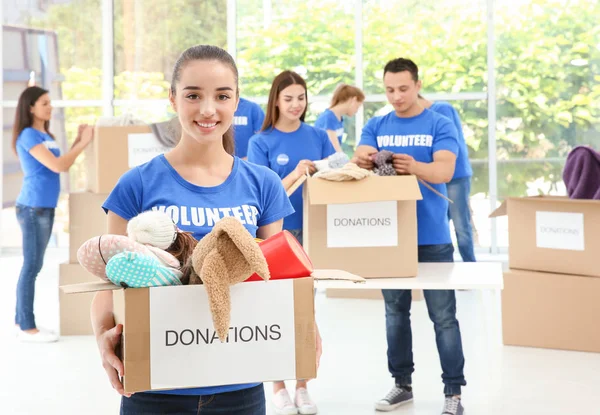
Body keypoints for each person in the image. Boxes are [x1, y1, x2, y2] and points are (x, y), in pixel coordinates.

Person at [91, 45, 321, 415]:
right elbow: (110, 280)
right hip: (154, 383)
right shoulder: (137, 184)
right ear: (173, 99)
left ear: (237, 101)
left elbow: (274, 277)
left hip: (239, 383)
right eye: (193, 95)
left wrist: (306, 327)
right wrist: (102, 337)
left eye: (222, 96)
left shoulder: (263, 184)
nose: (208, 109)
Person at [353, 58, 466, 415]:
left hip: (432, 235)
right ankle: (402, 385)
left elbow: (445, 169)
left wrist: (415, 167)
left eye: (403, 89)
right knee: (395, 313)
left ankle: (453, 393)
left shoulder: (440, 123)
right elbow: (360, 154)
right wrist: (363, 160)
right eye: (389, 90)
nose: (396, 96)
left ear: (418, 85)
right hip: (389, 236)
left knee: (444, 316)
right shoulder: (376, 124)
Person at [247, 70, 335, 415]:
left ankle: (302, 385)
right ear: (276, 102)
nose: (296, 105)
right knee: (273, 309)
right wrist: (296, 173)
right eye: (289, 99)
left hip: (312, 234)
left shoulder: (318, 136)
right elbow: (261, 198)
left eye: (301, 97)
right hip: (277, 238)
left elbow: (333, 174)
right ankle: (278, 386)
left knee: (305, 311)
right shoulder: (261, 142)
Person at [12, 86, 94, 343]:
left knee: (32, 266)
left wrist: (77, 141)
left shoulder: (43, 134)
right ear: (30, 107)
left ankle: (21, 321)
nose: (50, 107)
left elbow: (58, 161)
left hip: (43, 207)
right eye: (44, 103)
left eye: (50, 102)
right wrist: (84, 143)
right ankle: (26, 326)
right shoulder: (27, 135)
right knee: (31, 267)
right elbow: (59, 166)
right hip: (33, 207)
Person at [418, 94, 476, 263]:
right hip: (436, 177)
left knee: (461, 226)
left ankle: (470, 267)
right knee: (441, 222)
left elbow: (445, 141)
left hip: (455, 176)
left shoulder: (441, 109)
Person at [314, 84, 365, 152]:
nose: (356, 111)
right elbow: (335, 148)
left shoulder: (339, 118)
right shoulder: (328, 118)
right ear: (353, 100)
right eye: (357, 106)